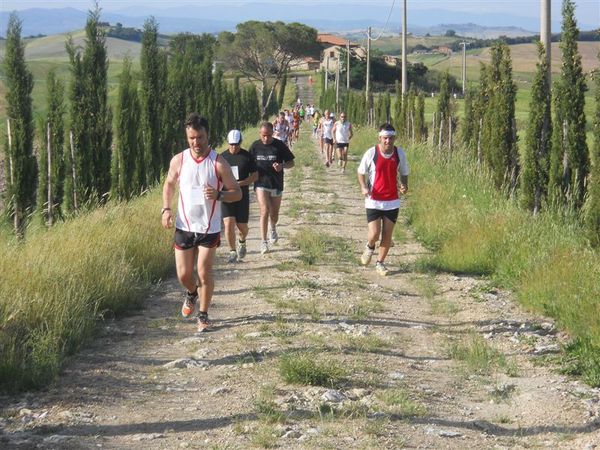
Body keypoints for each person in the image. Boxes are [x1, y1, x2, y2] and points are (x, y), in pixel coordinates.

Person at [162, 113, 242, 332]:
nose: (196, 142)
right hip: (184, 226)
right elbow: (169, 184)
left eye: (200, 137)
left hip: (209, 227)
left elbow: (237, 193)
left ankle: (204, 315)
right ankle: (191, 293)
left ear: (208, 136)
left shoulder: (218, 163)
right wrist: (166, 208)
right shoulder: (179, 160)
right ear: (187, 138)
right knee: (183, 274)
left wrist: (219, 195)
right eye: (192, 138)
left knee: (204, 272)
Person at [356, 123, 409, 276]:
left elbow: (404, 172)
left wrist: (404, 185)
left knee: (387, 234)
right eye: (385, 138)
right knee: (374, 233)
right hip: (373, 199)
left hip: (392, 201)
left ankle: (380, 263)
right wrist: (363, 187)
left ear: (395, 138)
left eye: (391, 138)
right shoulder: (372, 153)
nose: (388, 141)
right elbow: (361, 172)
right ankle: (370, 246)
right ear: (380, 138)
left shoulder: (400, 154)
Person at [249, 122, 295, 254]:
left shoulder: (279, 145)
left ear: (273, 133)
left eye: (269, 135)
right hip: (261, 183)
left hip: (276, 183)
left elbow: (292, 163)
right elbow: (248, 163)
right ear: (260, 134)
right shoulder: (255, 146)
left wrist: (282, 166)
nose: (266, 138)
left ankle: (273, 227)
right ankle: (263, 242)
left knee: (274, 214)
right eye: (263, 136)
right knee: (264, 210)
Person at [220, 129, 258, 263]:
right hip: (226, 195)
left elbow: (254, 176)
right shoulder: (222, 157)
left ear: (240, 142)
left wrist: (241, 183)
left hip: (242, 195)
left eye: (236, 144)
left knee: (242, 226)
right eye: (231, 144)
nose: (234, 147)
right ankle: (232, 251)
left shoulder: (247, 157)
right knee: (228, 223)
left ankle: (242, 240)